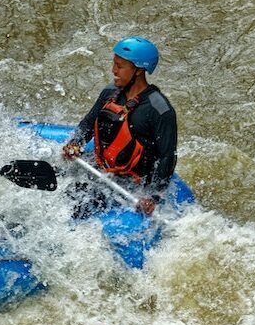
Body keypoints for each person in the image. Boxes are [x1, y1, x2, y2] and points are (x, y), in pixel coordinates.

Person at [60, 37, 176, 216]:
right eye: (114, 64)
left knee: (76, 206)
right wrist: (75, 142)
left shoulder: (159, 110)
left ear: (138, 70)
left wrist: (153, 197)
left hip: (131, 182)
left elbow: (167, 158)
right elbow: (87, 125)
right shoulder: (110, 92)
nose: (114, 71)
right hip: (100, 166)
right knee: (59, 181)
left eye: (120, 66)